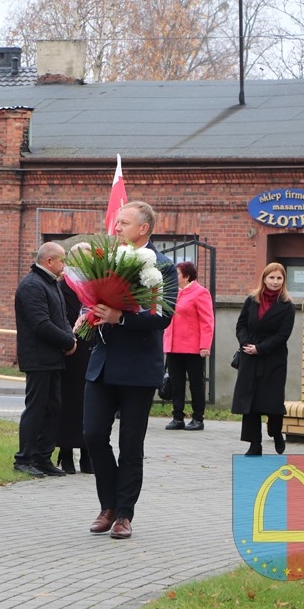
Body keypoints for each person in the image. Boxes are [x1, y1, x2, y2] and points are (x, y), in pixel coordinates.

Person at [82, 201, 178, 540]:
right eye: (117, 222)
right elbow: (92, 297)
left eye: (124, 222)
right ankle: (107, 505)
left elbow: (163, 316)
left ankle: (123, 514)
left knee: (130, 444)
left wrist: (121, 317)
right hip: (102, 364)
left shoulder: (163, 267)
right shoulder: (106, 260)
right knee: (93, 434)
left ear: (143, 229)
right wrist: (87, 315)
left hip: (138, 368)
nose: (117, 227)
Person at [13, 242, 77, 477]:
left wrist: (70, 337)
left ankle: (43, 457)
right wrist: (68, 341)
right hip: (38, 357)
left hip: (53, 357)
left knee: (52, 408)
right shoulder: (32, 285)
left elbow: (61, 317)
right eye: (62, 259)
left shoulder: (50, 283)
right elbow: (41, 324)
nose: (64, 264)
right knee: (36, 408)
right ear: (49, 261)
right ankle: (24, 458)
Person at [230, 262, 295, 457]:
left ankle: (275, 432)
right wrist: (246, 344)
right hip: (249, 357)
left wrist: (261, 348)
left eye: (279, 278)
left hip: (273, 359)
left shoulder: (287, 306)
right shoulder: (252, 300)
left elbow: (283, 335)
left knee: (272, 402)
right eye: (271, 277)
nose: (275, 282)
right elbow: (241, 325)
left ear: (284, 280)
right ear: (264, 279)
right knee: (250, 403)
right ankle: (254, 444)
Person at [163, 261, 215, 431]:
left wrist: (205, 345)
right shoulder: (173, 292)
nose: (174, 276)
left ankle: (198, 418)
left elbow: (207, 321)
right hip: (173, 346)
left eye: (177, 274)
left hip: (193, 348)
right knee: (176, 383)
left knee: (196, 383)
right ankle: (177, 417)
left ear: (186, 276)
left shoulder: (200, 292)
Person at [57, 250, 94, 474]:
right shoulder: (61, 287)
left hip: (92, 353)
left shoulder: (97, 286)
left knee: (90, 406)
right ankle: (66, 452)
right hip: (70, 354)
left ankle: (88, 454)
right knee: (68, 405)